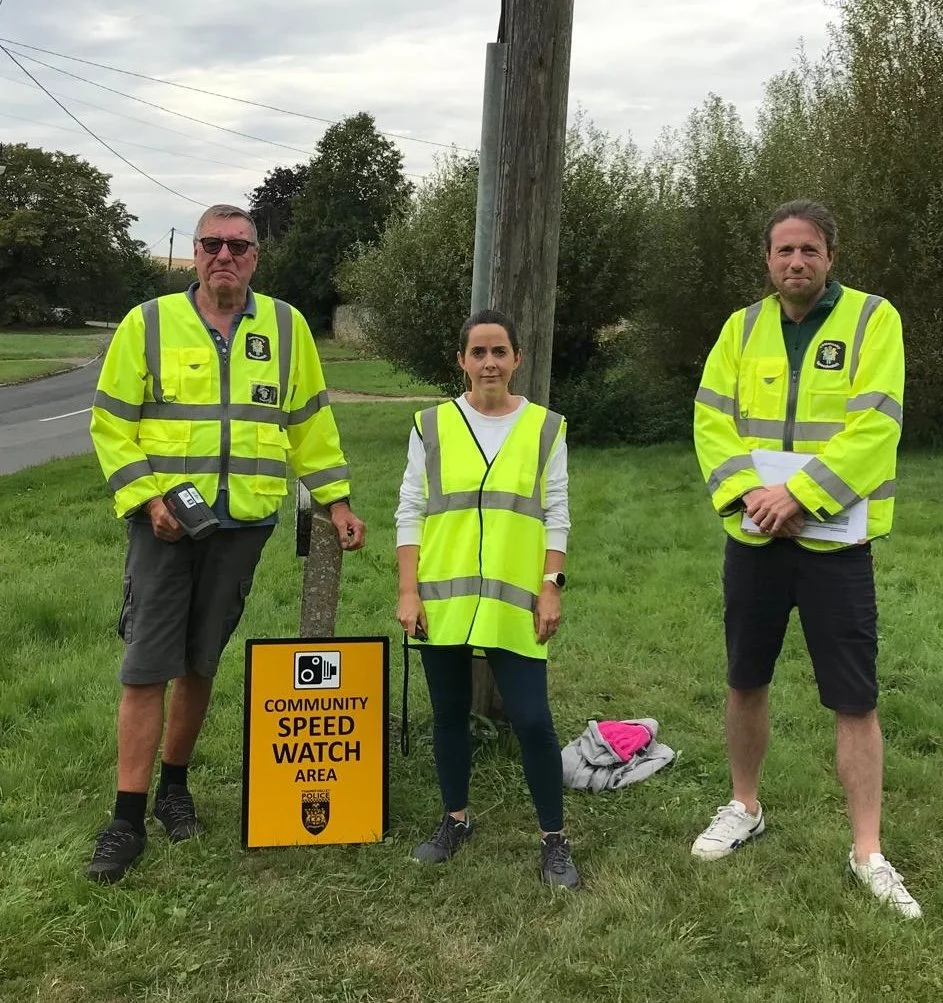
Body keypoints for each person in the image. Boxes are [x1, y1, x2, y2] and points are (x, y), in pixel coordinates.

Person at [86, 204, 366, 883]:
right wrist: (148, 499)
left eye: (238, 246)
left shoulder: (287, 327)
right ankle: (125, 819)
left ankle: (174, 788)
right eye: (212, 243)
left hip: (241, 525)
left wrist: (335, 499)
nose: (224, 256)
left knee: (200, 661)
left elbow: (309, 424)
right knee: (146, 666)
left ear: (255, 257)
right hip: (163, 525)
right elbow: (111, 423)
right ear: (196, 253)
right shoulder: (148, 323)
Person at [691, 199, 921, 918]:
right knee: (744, 679)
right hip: (754, 540)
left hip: (836, 543)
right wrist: (753, 496)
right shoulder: (740, 327)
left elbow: (875, 424)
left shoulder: (872, 319)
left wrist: (798, 495)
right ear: (767, 259)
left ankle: (867, 851)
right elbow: (711, 419)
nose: (796, 261)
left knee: (854, 698)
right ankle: (744, 805)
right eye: (784, 250)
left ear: (830, 257)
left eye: (809, 250)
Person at [395, 308, 579, 889]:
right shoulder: (431, 425)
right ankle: (455, 820)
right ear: (462, 361)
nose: (490, 362)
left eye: (500, 351)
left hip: (514, 600)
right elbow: (410, 510)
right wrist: (408, 591)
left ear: (517, 358)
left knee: (532, 719)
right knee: (449, 715)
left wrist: (550, 587)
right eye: (479, 352)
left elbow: (556, 513)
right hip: (442, 598)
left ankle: (554, 839)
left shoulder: (546, 427)